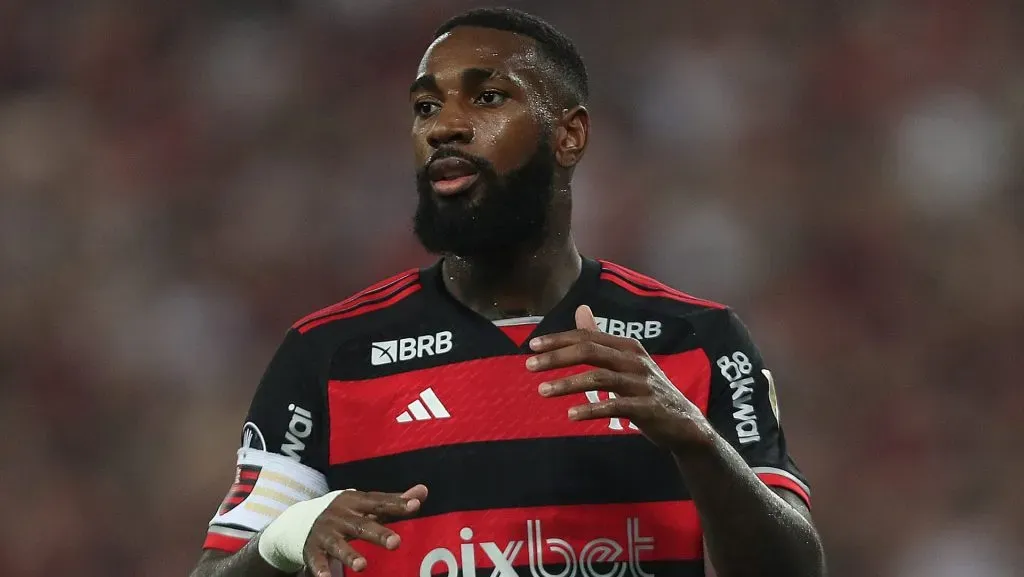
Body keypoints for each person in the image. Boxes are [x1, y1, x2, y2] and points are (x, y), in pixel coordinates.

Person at [190, 7, 825, 577]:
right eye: (425, 107)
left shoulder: (695, 341)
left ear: (569, 135)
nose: (444, 128)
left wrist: (698, 442)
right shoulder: (329, 354)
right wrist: (285, 539)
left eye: (488, 98)